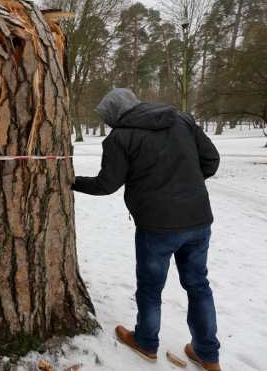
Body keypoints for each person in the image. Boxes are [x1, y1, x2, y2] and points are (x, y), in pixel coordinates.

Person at [72, 89, 222, 371]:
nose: (108, 126)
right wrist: (185, 185)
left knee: (151, 289)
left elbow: (106, 185)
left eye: (107, 120)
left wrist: (72, 181)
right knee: (199, 286)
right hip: (199, 220)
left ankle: (146, 342)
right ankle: (207, 355)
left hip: (157, 227)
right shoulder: (182, 120)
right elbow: (210, 161)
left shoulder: (120, 137)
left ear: (116, 114)